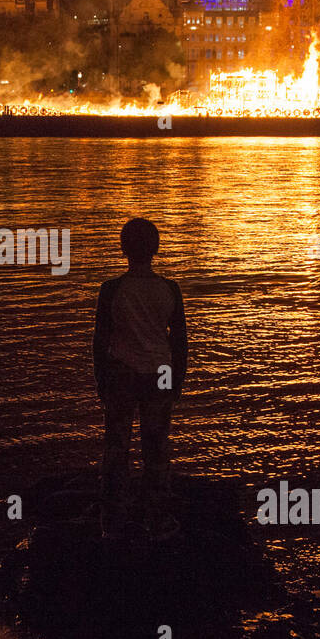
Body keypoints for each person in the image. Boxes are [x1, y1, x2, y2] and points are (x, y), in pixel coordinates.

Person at [93, 218, 187, 541]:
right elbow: (179, 342)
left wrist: (100, 379)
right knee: (157, 446)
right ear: (156, 249)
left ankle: (114, 520)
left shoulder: (112, 289)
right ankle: (158, 519)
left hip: (121, 372)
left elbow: (100, 338)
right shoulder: (169, 290)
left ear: (123, 249)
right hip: (159, 373)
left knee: (117, 447)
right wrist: (177, 381)